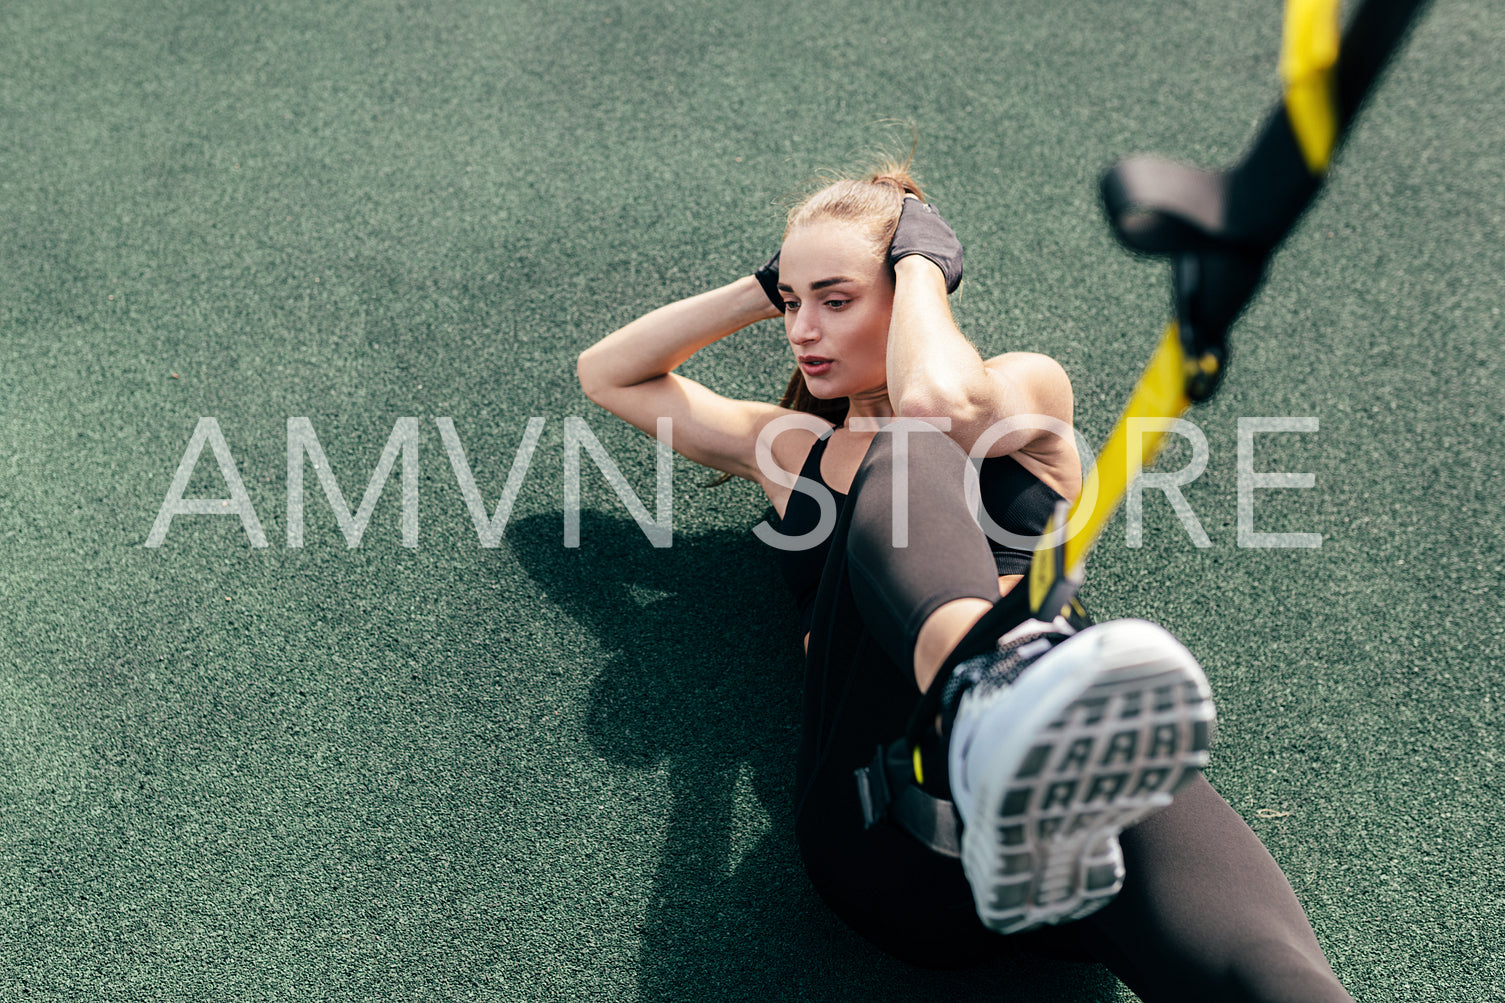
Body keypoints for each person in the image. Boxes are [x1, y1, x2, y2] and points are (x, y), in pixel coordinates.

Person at [576, 158, 1354, 1002]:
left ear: (917, 290)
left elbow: (937, 402)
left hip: (1065, 800)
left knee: (1276, 977)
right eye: (792, 306)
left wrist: (916, 263)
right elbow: (608, 372)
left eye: (835, 300)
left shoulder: (1022, 390)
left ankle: (1016, 707)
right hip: (891, 820)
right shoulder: (787, 447)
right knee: (901, 451)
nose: (802, 329)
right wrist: (767, 284)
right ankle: (984, 696)